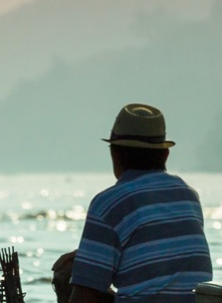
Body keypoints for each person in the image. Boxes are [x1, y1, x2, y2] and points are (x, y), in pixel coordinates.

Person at [52, 103, 212, 303]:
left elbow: (86, 296)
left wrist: (84, 263)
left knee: (67, 273)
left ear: (114, 154)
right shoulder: (188, 196)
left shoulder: (108, 204)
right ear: (165, 154)